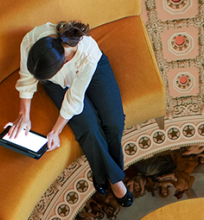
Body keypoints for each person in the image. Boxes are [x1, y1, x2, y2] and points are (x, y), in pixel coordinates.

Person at [7, 21, 133, 206]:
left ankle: (105, 175)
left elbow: (74, 98)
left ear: (64, 63)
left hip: (94, 69)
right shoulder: (31, 40)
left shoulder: (87, 51)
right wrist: (24, 114)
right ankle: (115, 179)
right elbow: (27, 78)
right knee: (88, 128)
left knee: (114, 123)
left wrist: (55, 130)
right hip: (55, 83)